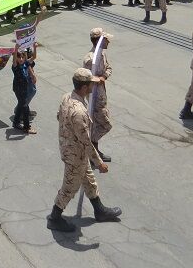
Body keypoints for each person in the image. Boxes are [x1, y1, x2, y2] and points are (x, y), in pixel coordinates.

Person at [46, 68, 122, 232]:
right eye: (91, 84)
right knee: (69, 187)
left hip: (73, 150)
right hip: (75, 154)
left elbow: (59, 117)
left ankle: (99, 210)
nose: (93, 87)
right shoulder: (79, 111)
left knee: (88, 179)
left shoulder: (67, 97)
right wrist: (100, 163)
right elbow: (87, 142)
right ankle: (54, 217)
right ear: (83, 87)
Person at [83, 28, 113, 163]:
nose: (108, 41)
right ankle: (91, 149)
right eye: (106, 39)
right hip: (94, 97)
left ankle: (94, 152)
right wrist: (98, 79)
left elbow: (109, 68)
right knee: (105, 125)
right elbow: (85, 79)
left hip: (102, 94)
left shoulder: (102, 54)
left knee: (97, 125)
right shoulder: (90, 59)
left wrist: (103, 77)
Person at [11, 43, 37, 134]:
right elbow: (14, 60)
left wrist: (34, 47)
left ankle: (16, 122)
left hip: (24, 88)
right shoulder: (15, 67)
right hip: (18, 89)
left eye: (22, 57)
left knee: (21, 106)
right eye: (19, 57)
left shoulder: (26, 63)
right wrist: (16, 49)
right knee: (25, 107)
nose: (21, 59)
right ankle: (27, 127)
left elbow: (33, 57)